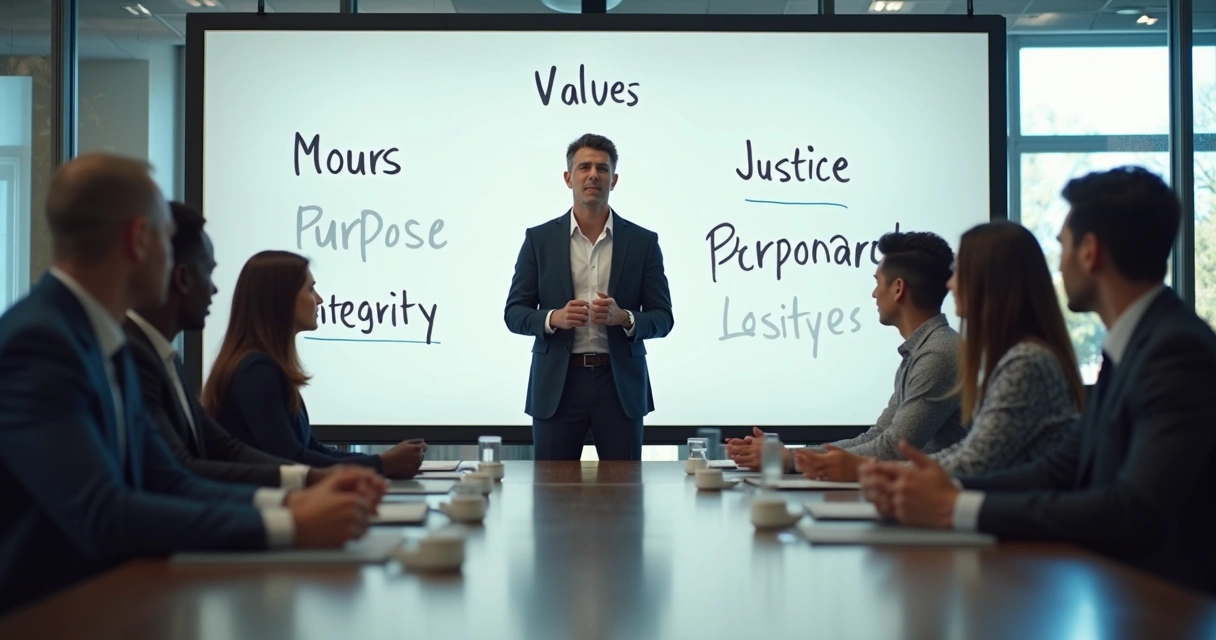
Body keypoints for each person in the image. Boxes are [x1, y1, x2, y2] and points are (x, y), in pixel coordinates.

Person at [0, 153, 384, 614]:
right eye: (166, 237)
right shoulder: (39, 342)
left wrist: (293, 501)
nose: (177, 263)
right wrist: (290, 523)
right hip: (52, 615)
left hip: (121, 598)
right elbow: (104, 512)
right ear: (139, 239)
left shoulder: (107, 340)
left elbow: (169, 480)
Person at [861, 167, 1216, 595]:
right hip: (1119, 589)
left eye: (1062, 245)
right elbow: (1060, 467)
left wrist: (957, 505)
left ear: (1091, 252)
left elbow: (1133, 509)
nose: (1059, 263)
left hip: (1164, 604)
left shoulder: (1173, 351)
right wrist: (945, 487)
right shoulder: (1134, 345)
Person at [794, 221, 1084, 481]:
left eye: (960, 272)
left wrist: (860, 468)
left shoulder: (1022, 361)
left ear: (989, 282)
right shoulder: (1008, 357)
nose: (950, 284)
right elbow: (964, 453)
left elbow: (973, 461)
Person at [126, 201, 343, 488]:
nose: (215, 289)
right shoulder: (255, 369)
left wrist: (320, 477)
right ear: (182, 278)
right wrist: (292, 506)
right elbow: (182, 471)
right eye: (209, 272)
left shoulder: (168, 359)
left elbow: (224, 449)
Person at [727, 230, 964, 474]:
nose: (873, 293)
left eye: (877, 282)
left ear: (898, 289)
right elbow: (877, 435)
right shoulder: (922, 350)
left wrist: (791, 459)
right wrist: (790, 454)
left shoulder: (937, 354)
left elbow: (894, 447)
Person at [504, 133, 674, 461]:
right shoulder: (539, 240)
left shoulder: (643, 242)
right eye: (584, 167)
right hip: (558, 383)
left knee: (625, 498)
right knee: (551, 496)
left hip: (619, 384)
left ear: (615, 179)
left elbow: (663, 318)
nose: (593, 175)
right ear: (568, 178)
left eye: (602, 168)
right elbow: (514, 312)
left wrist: (624, 318)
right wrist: (554, 318)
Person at [200, 250, 426, 478]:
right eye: (310, 289)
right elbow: (292, 460)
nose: (319, 300)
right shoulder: (257, 371)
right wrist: (381, 464)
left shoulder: (265, 367)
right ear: (282, 299)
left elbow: (310, 450)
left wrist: (382, 462)